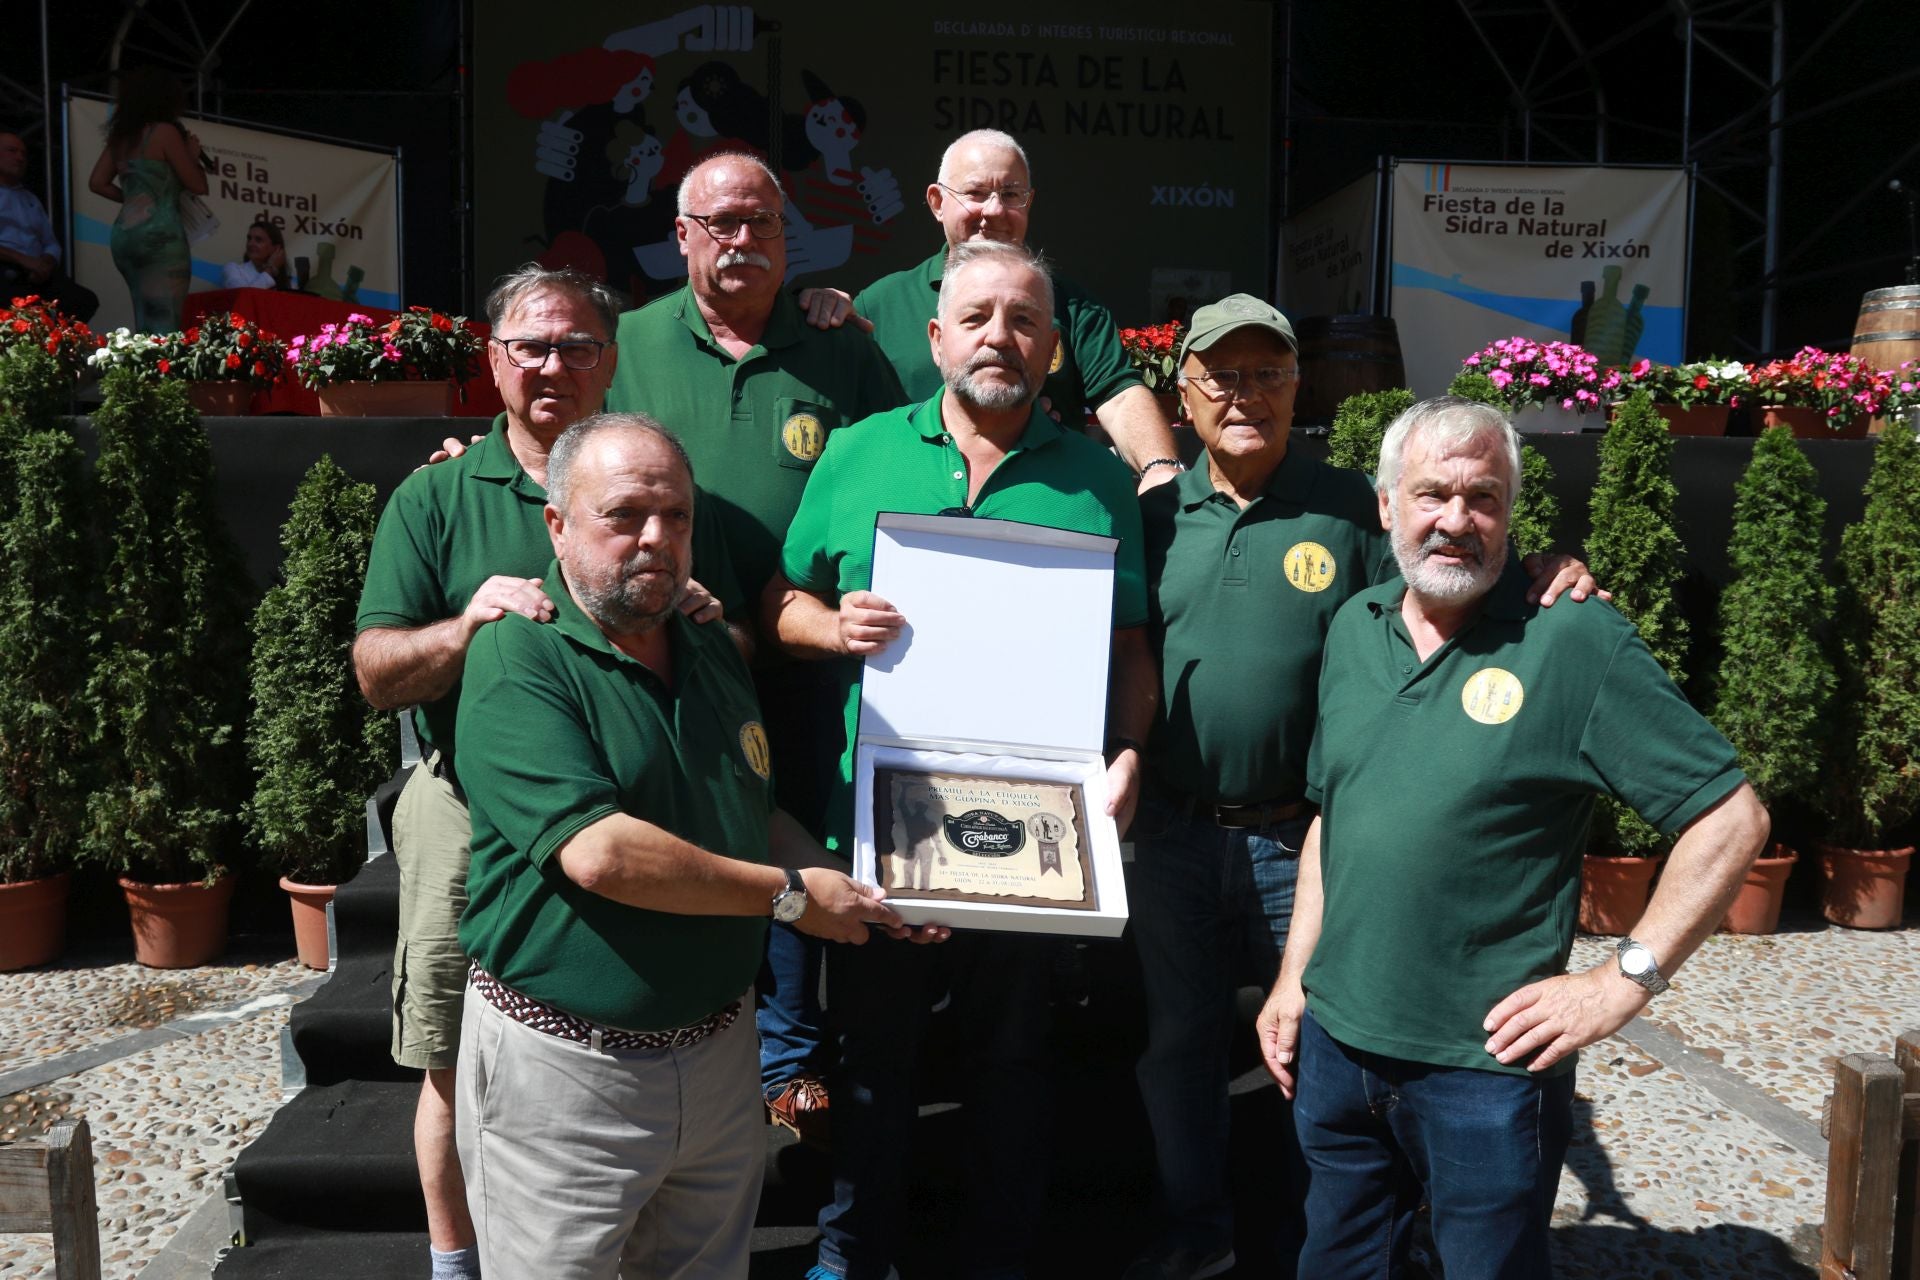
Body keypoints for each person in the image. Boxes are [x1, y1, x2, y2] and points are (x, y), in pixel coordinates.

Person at [1122, 299, 1599, 1280]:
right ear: (1186, 394)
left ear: (1300, 387)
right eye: (1221, 375)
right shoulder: (1155, 518)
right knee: (1180, 1048)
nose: (1243, 394)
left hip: (1311, 840)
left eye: (1266, 373)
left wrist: (1541, 572)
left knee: (1336, 1050)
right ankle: (1199, 1222)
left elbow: (1448, 575)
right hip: (1174, 834)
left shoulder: (1352, 503)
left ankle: (1353, 1234)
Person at [1254, 396, 1769, 1279]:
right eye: (1432, 494)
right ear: (1385, 506)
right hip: (1338, 1051)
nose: (1457, 520)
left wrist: (1622, 981)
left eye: (1484, 497)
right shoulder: (1354, 628)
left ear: (1512, 513)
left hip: (1484, 1072)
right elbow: (1334, 821)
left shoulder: (1569, 638)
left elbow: (1732, 817)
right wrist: (1294, 979)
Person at [451, 412, 930, 1279]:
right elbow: (601, 853)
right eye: (625, 515)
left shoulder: (707, 640)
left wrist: (859, 889)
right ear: (557, 524)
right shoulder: (520, 656)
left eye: (676, 516)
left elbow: (753, 812)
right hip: (567, 1076)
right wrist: (790, 899)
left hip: (716, 1060)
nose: (656, 538)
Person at [768, 238, 1156, 1280]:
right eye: (978, 316)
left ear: (1055, 352)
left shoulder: (1094, 481)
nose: (1002, 336)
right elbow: (778, 598)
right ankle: (852, 1258)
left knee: (1013, 1066)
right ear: (936, 337)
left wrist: (1126, 753)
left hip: (1038, 830)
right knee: (872, 1068)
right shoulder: (856, 452)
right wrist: (829, 626)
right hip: (883, 822)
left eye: (1025, 320)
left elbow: (1131, 647)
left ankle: (999, 1258)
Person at [354, 264, 734, 1280]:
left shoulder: (648, 481)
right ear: (493, 358)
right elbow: (375, 671)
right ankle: (455, 1260)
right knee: (452, 1053)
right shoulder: (438, 492)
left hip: (629, 804)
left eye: (575, 345)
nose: (551, 364)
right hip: (470, 800)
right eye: (529, 344)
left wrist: (698, 608)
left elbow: (718, 632)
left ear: (609, 359)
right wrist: (462, 628)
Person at [604, 150, 906, 1141]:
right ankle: (765, 1050)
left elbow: (899, 465)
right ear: (682, 237)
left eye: (762, 224)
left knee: (813, 836)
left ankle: (813, 1049)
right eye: (720, 223)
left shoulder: (840, 344)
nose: (742, 240)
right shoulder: (630, 342)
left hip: (820, 652)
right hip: (683, 655)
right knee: (720, 844)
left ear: (790, 237)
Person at [812, 128, 1183, 492]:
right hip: (907, 506)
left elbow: (1119, 398)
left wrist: (1160, 468)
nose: (994, 210)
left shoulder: (1072, 306)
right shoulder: (881, 304)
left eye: (1010, 194)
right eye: (975, 193)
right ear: (937, 202)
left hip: (1041, 505)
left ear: (1029, 203)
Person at [86, 67, 206, 331]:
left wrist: (133, 200)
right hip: (160, 235)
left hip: (126, 235)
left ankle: (139, 367)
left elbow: (97, 183)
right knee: (165, 318)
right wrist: (192, 155)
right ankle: (161, 370)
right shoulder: (165, 132)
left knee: (143, 314)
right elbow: (197, 184)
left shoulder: (121, 137)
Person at [0, 130, 97, 320]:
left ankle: (53, 345)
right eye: (12, 151)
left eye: (23, 154)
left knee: (83, 300)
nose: (20, 158)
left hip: (33, 272)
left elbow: (51, 243)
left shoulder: (30, 199)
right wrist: (22, 259)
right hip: (4, 268)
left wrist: (45, 263)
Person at [221, 218, 287, 290]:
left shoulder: (290, 282)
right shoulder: (233, 269)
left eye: (258, 240)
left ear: (276, 249)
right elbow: (243, 295)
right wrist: (270, 269)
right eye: (249, 238)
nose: (250, 243)